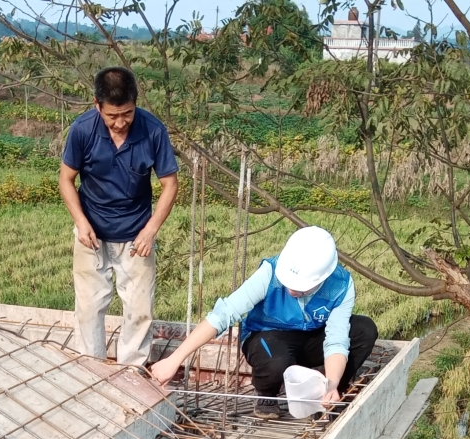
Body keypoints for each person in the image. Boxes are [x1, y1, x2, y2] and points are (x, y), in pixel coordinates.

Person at [149, 226, 378, 417]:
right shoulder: (271, 272)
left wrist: (331, 383)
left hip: (312, 336)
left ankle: (326, 392)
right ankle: (267, 396)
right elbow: (223, 314)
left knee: (363, 330)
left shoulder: (341, 285)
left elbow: (336, 339)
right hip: (268, 337)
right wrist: (174, 359)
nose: (292, 290)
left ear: (323, 278)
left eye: (300, 287)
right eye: (289, 283)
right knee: (277, 360)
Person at [60, 67, 179, 368]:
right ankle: (92, 372)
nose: (120, 122)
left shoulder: (153, 130)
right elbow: (66, 179)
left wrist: (151, 230)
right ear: (96, 104)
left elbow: (170, 184)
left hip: (136, 236)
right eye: (112, 116)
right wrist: (80, 221)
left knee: (139, 311)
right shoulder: (82, 130)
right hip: (92, 235)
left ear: (135, 103)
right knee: (88, 308)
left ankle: (132, 374)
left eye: (126, 113)